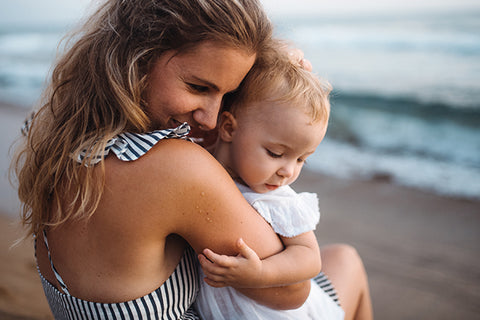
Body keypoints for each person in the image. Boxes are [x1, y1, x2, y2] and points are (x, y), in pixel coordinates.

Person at [11, 0, 372, 319]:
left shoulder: (64, 137)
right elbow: (292, 294)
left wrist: (268, 79)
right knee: (350, 265)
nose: (212, 120)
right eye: (200, 87)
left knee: (340, 256)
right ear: (138, 55)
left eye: (228, 95)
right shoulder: (174, 168)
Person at [194, 46, 370, 319]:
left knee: (346, 259)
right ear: (228, 128)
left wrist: (261, 273)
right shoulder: (195, 163)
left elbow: (309, 257)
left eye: (302, 160)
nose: (288, 172)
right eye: (276, 153)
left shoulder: (277, 200)